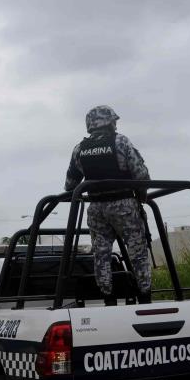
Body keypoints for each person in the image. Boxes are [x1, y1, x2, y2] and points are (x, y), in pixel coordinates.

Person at [65, 105, 152, 305]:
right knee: (138, 253)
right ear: (108, 122)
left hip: (96, 209)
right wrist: (142, 198)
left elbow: (70, 184)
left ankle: (109, 300)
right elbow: (141, 175)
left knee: (101, 255)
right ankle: (145, 298)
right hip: (124, 205)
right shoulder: (120, 141)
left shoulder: (80, 149)